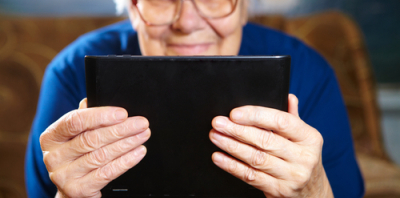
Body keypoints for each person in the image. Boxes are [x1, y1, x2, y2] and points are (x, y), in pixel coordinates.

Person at [25, 0, 365, 197]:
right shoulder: (71, 73)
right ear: (131, 7)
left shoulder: (308, 72)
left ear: (245, 7)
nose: (187, 22)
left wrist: (313, 190)